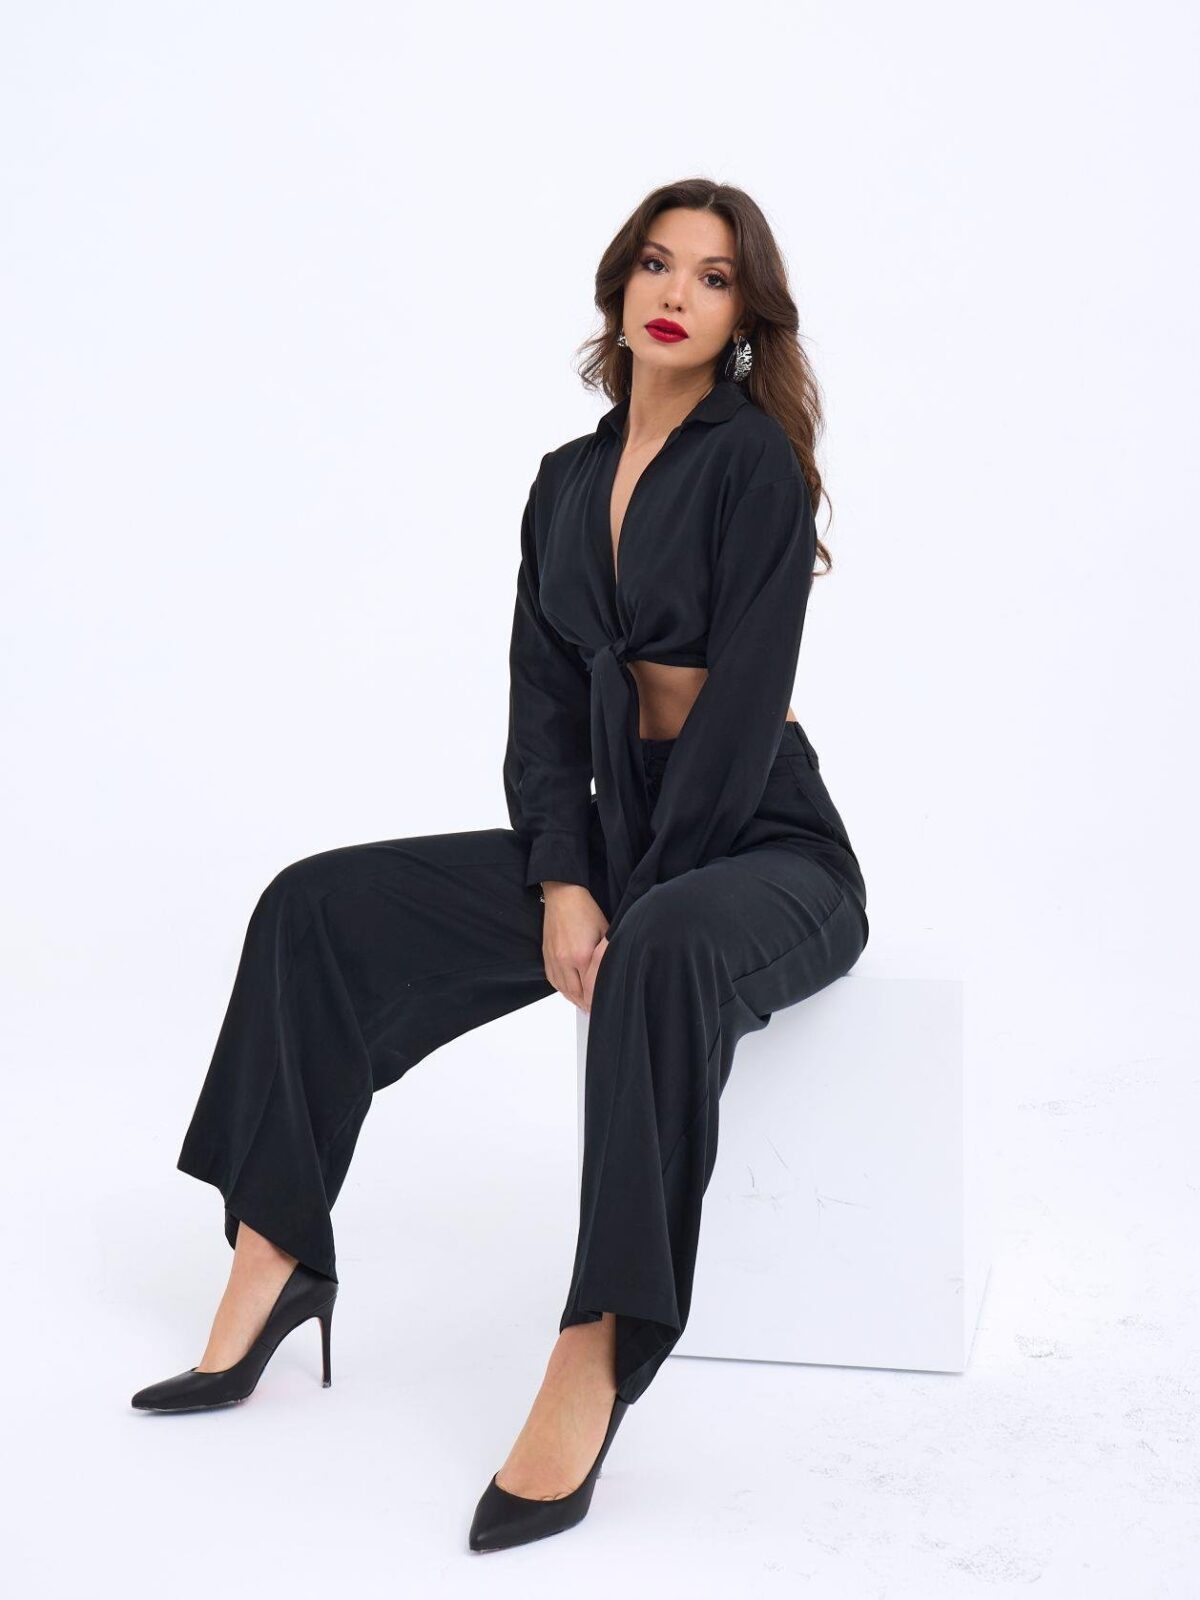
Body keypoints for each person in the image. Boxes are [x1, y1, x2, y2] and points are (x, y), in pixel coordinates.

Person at [130, 178, 870, 1554]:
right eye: (658, 264)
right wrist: (566, 878)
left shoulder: (753, 464)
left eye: (714, 277)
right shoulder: (563, 482)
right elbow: (541, 711)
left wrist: (635, 897)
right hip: (616, 832)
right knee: (316, 907)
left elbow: (738, 713)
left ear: (744, 316)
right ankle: (274, 1258)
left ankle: (598, 1346)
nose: (677, 294)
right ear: (619, 283)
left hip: (761, 841)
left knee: (662, 944)